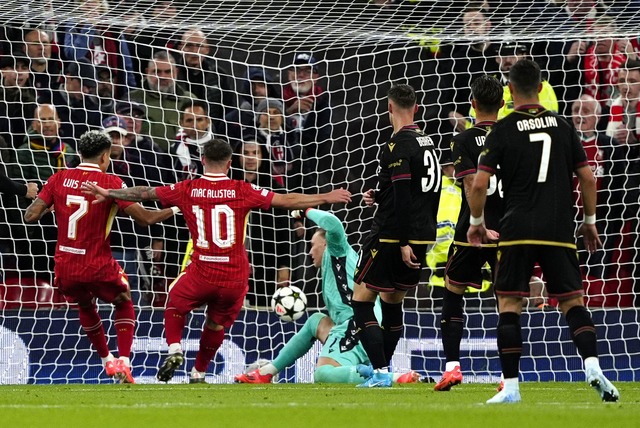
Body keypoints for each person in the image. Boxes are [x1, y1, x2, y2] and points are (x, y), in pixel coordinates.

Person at [81, 138, 351, 384]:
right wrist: (326, 197)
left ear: (202, 161)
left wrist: (110, 193)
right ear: (230, 163)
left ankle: (175, 349)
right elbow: (285, 200)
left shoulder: (188, 188)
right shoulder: (242, 189)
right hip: (234, 277)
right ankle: (199, 372)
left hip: (202, 271)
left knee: (174, 300)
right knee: (216, 323)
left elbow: (145, 193)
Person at [466, 59, 619, 403]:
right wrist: (590, 222)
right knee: (572, 302)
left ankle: (512, 388)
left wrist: (477, 224)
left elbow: (479, 184)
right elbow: (588, 177)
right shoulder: (564, 126)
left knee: (508, 303)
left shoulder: (502, 128)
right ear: (539, 87)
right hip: (558, 228)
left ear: (509, 90)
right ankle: (592, 365)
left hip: (517, 227)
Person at [23, 130, 179, 384]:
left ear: (80, 153)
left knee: (85, 305)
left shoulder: (58, 178)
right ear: (105, 156)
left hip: (64, 265)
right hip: (97, 263)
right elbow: (146, 218)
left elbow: (30, 216)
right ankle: (124, 362)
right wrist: (175, 207)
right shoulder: (111, 182)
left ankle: (106, 361)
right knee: (123, 299)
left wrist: (50, 204)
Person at [234, 208, 420, 384]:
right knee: (316, 321)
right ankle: (267, 372)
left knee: (323, 373)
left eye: (313, 245)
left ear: (325, 243)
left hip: (357, 324)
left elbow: (333, 224)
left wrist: (305, 212)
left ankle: (388, 376)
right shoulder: (338, 262)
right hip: (358, 323)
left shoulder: (336, 250)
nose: (309, 251)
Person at [351, 83, 441, 388]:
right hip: (421, 235)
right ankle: (382, 369)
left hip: (392, 236)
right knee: (392, 304)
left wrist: (402, 242)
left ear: (389, 108)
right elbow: (423, 191)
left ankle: (380, 372)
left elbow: (404, 196)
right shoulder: (428, 142)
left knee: (361, 302)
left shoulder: (396, 145)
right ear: (416, 108)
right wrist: (380, 193)